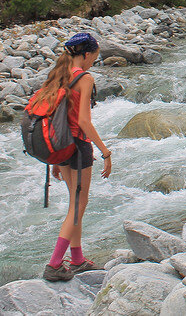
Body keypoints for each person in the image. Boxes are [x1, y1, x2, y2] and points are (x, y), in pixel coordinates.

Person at [38, 32, 112, 281]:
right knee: (78, 207)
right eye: (94, 57)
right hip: (78, 146)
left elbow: (52, 115)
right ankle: (55, 264)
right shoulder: (85, 78)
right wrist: (105, 151)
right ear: (86, 54)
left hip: (61, 146)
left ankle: (77, 259)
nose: (93, 62)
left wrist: (56, 161)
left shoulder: (58, 74)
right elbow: (83, 121)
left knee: (74, 204)